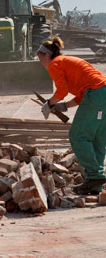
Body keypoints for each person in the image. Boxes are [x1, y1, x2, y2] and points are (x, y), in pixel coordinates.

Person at [36, 36, 106, 195]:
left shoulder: (55, 63)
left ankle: (95, 176)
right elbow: (81, 95)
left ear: (46, 55)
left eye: (41, 60)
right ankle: (95, 184)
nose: (42, 64)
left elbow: (62, 91)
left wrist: (50, 104)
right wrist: (64, 106)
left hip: (95, 93)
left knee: (78, 135)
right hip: (103, 92)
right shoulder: (68, 61)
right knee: (97, 139)